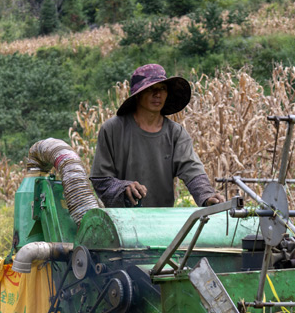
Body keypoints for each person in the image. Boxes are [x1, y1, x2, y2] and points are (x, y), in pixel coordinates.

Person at [90, 64, 226, 208]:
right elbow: (101, 180)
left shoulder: (176, 133)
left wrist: (206, 196)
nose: (157, 94)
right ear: (138, 95)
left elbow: (192, 169)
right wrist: (123, 188)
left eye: (162, 88)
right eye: (150, 89)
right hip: (122, 220)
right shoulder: (113, 129)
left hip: (162, 221)